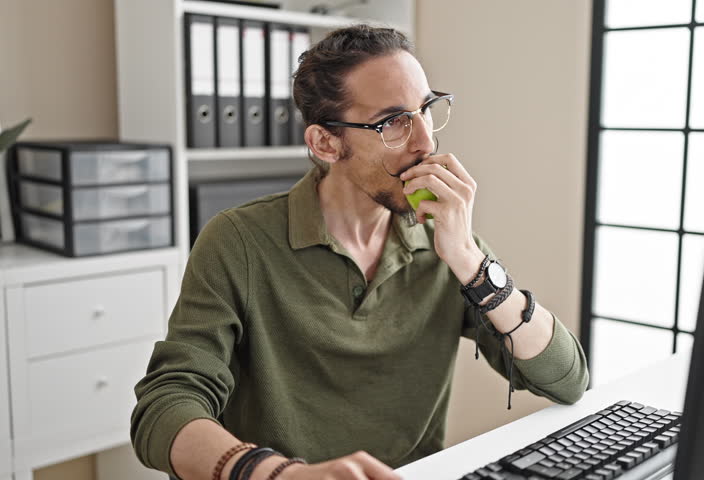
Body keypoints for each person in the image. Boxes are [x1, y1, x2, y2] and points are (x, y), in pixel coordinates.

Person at [131, 24, 589, 480]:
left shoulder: (446, 242)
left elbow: (567, 380)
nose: (425, 142)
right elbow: (165, 404)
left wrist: (469, 258)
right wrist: (281, 475)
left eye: (426, 109)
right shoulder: (238, 240)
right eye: (393, 122)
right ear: (325, 143)